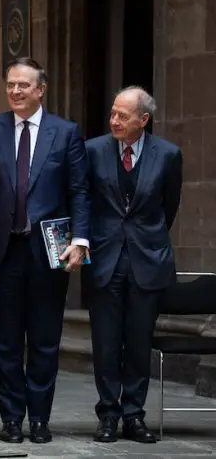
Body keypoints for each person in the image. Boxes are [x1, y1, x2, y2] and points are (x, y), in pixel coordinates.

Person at [0, 57, 90, 444]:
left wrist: (81, 239)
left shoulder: (66, 132)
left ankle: (39, 418)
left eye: (24, 85)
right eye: (10, 85)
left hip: (48, 252)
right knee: (4, 340)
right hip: (4, 250)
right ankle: (11, 418)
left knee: (43, 339)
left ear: (41, 89)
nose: (16, 91)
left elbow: (78, 191)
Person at [84, 87, 182, 444]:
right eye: (112, 113)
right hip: (105, 260)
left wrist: (145, 239)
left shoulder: (168, 155)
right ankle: (108, 414)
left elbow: (168, 206)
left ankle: (134, 416)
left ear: (144, 120)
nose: (114, 121)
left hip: (147, 261)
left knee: (139, 344)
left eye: (122, 116)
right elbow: (84, 200)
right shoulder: (93, 150)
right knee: (106, 344)